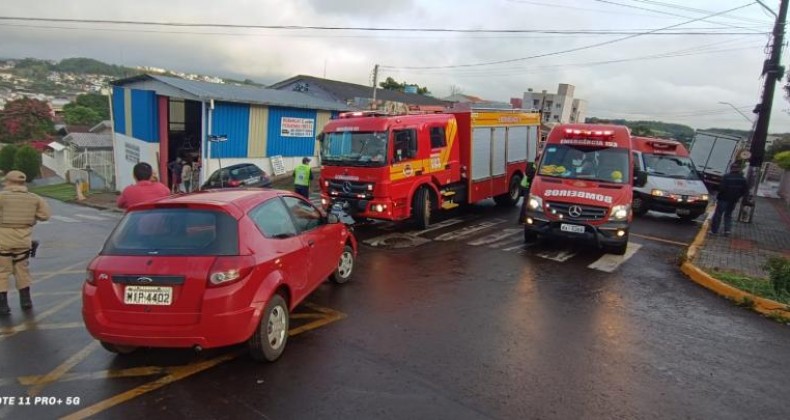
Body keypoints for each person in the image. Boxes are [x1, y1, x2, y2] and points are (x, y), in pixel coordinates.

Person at [0, 170, 51, 314]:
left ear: (8, 182)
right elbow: (45, 215)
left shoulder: (2, 197)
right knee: (22, 270)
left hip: (2, 240)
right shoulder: (34, 198)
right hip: (23, 240)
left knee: (2, 272)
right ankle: (26, 300)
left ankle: (3, 305)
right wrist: (31, 220)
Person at [710, 163, 749, 236]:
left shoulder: (726, 177)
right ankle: (727, 231)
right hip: (733, 200)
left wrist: (715, 189)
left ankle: (714, 230)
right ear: (739, 169)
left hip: (723, 199)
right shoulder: (742, 179)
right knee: (728, 215)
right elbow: (745, 191)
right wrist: (739, 197)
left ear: (731, 168)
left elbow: (722, 188)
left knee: (718, 214)